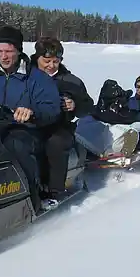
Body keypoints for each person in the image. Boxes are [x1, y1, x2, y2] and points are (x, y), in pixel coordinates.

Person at [0, 26, 61, 213]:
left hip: (27, 131)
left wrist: (32, 112)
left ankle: (33, 201)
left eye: (9, 51)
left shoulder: (37, 79)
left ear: (18, 51)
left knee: (14, 145)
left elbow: (52, 109)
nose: (3, 56)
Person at [30, 37, 94, 202]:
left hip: (59, 126)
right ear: (37, 57)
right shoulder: (25, 76)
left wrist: (74, 105)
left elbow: (87, 105)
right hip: (29, 124)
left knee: (55, 143)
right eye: (47, 61)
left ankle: (54, 190)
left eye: (55, 61)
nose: (51, 66)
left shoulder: (71, 81)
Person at [74, 76, 140, 157]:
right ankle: (94, 148)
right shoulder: (129, 101)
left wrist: (138, 121)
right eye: (138, 87)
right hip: (125, 127)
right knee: (105, 128)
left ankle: (128, 147)